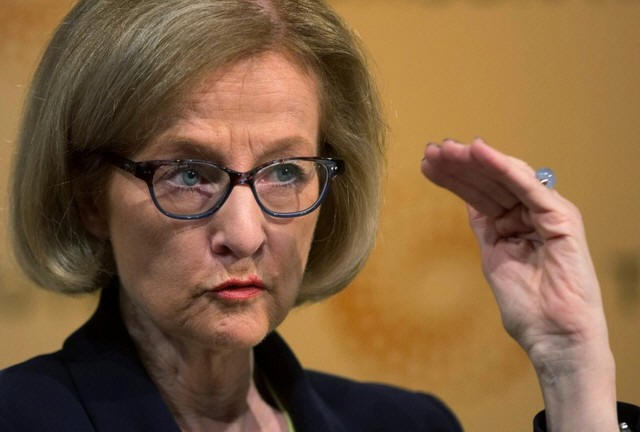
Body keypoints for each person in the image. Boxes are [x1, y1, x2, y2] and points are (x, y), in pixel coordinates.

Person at [0, 0, 636, 431]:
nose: (244, 234)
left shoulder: (407, 425)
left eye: (284, 171)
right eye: (189, 174)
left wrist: (569, 363)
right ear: (89, 196)